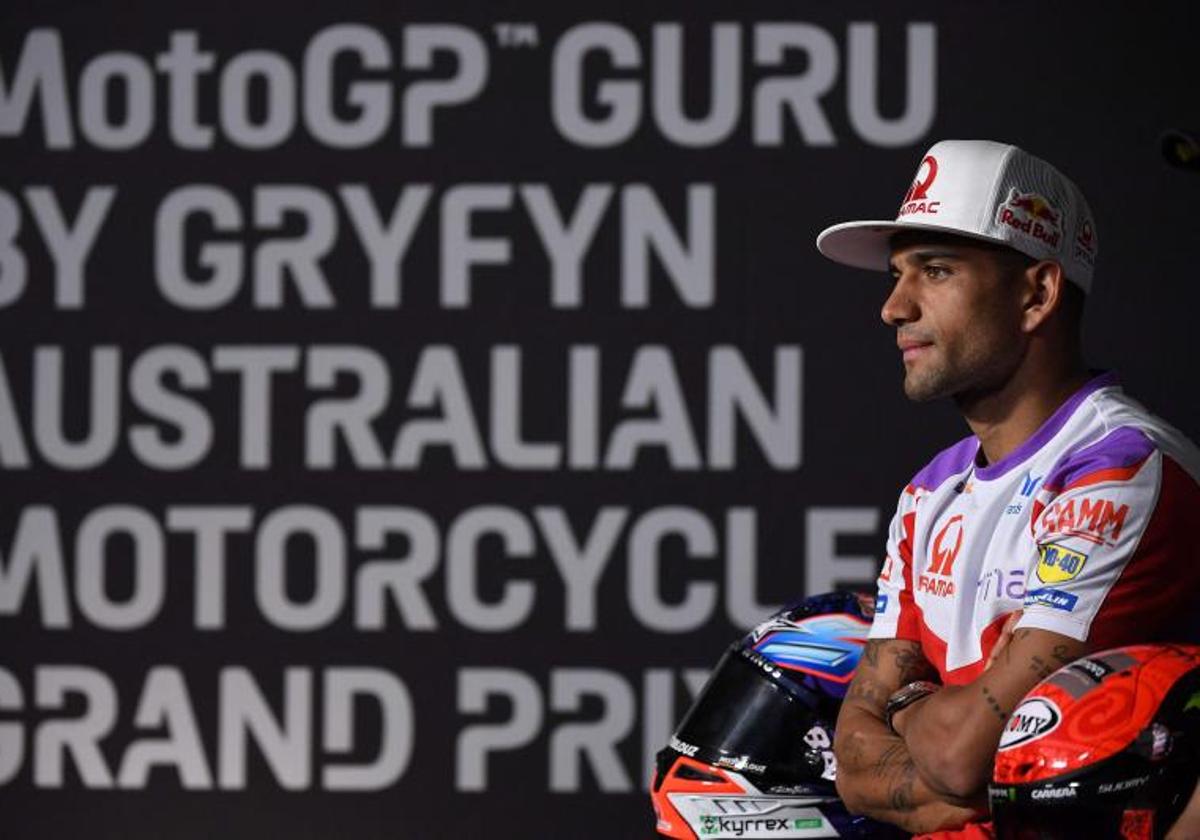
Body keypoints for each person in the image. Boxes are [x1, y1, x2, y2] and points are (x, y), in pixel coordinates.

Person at [813, 139, 1200, 837]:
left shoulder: (1121, 467)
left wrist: (899, 703)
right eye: (896, 276)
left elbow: (965, 759)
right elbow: (853, 768)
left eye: (934, 271)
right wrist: (927, 708)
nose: (894, 308)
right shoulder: (927, 495)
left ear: (1037, 294)